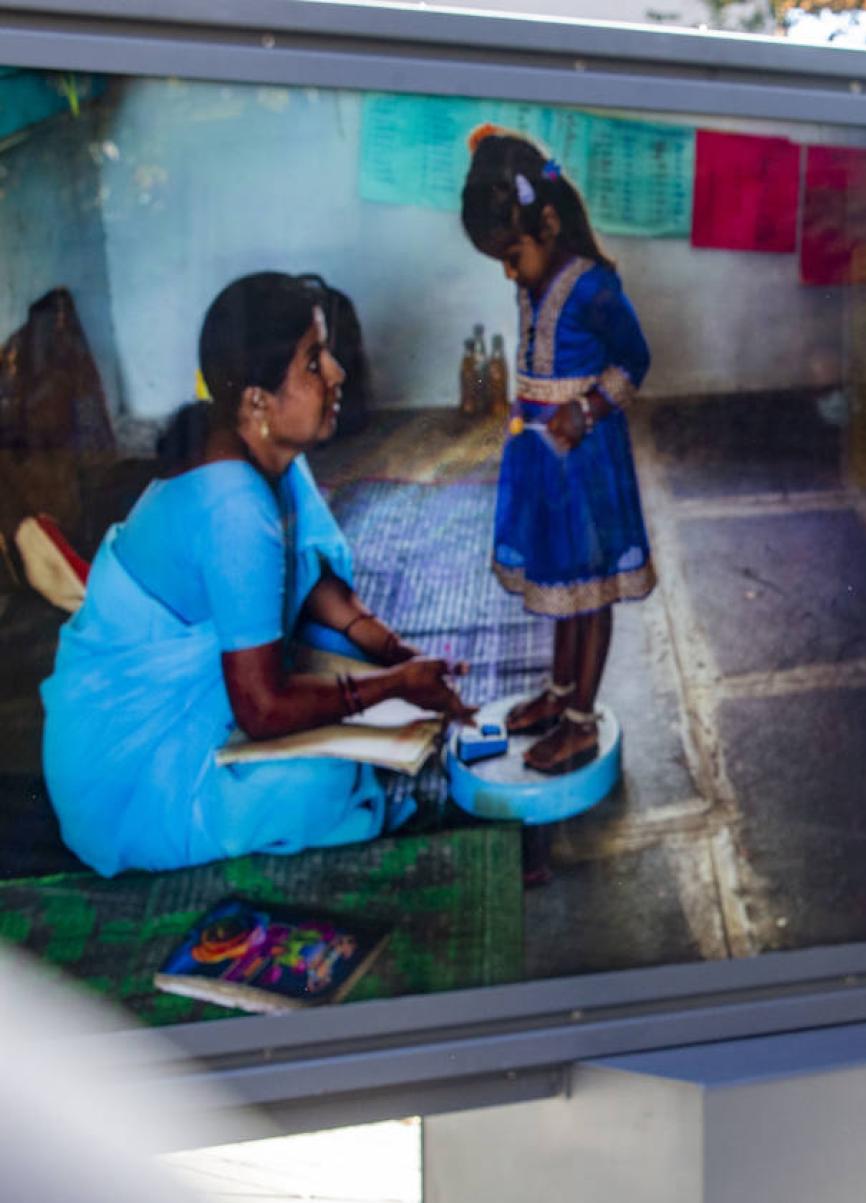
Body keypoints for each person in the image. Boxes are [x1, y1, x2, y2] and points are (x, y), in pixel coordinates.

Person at [41, 273, 473, 877]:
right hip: (130, 772)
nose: (337, 375)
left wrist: (391, 649)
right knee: (322, 781)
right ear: (257, 401)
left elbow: (307, 570)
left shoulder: (256, 451)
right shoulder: (233, 506)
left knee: (333, 657)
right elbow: (263, 710)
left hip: (189, 707)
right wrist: (395, 684)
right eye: (313, 364)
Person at [461, 126, 655, 776]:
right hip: (542, 463)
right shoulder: (532, 282)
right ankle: (560, 695)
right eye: (501, 262)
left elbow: (636, 360)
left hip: (587, 460)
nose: (510, 272)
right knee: (564, 588)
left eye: (513, 253)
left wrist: (586, 408)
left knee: (589, 591)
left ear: (548, 221)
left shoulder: (594, 286)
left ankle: (580, 724)